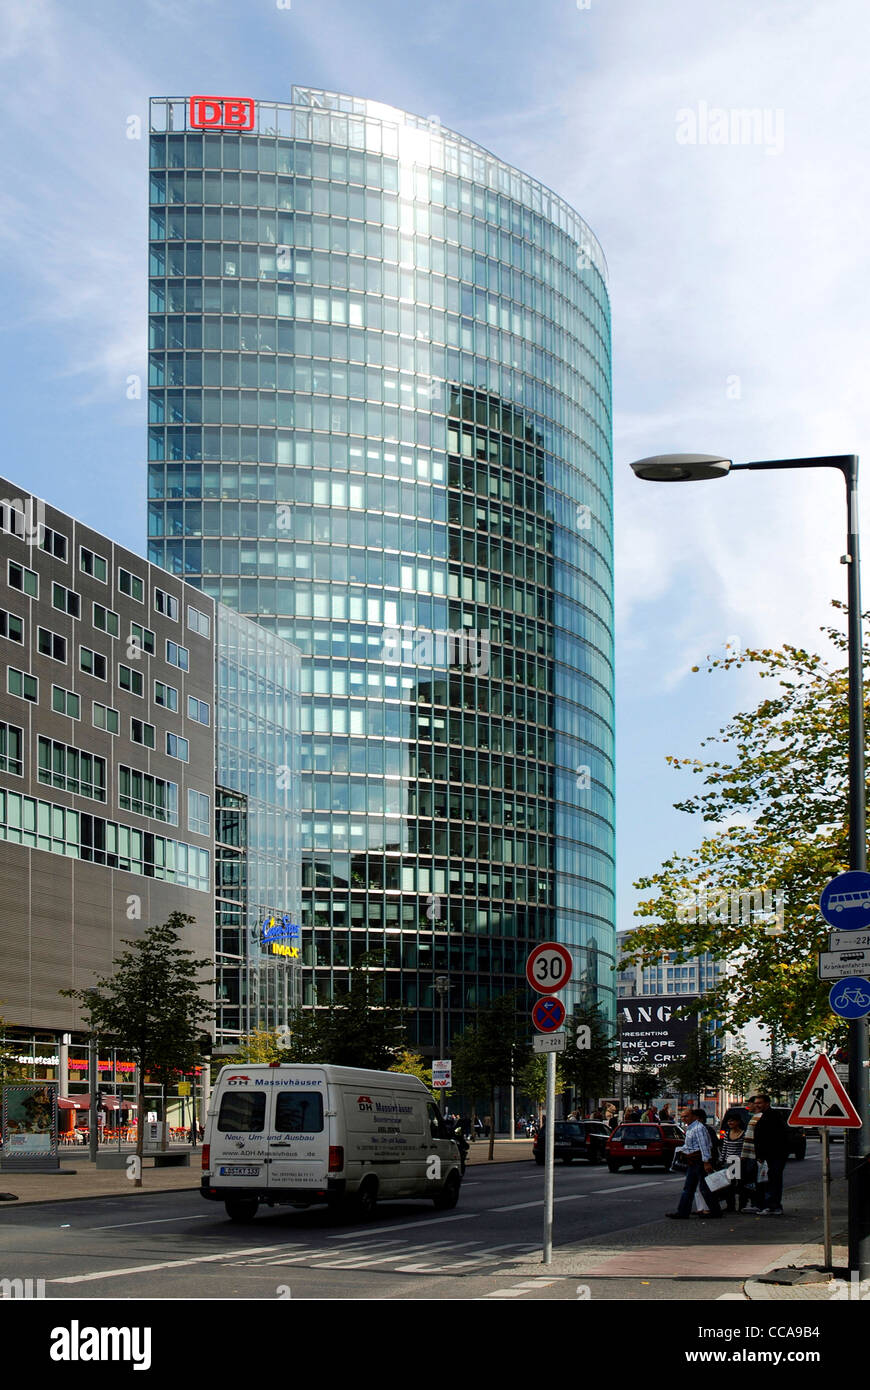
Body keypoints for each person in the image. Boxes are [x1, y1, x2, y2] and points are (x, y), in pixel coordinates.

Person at [666, 1107, 722, 1219]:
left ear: (694, 1116)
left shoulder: (698, 1128)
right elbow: (690, 1145)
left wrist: (706, 1162)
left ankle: (715, 1211)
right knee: (689, 1188)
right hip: (693, 1161)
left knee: (703, 1188)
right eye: (682, 1116)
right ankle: (683, 1212)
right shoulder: (691, 1128)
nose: (684, 1119)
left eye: (686, 1116)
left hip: (700, 1161)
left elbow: (704, 1146)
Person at [751, 1093, 790, 1214]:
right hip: (770, 1155)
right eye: (756, 1103)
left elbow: (770, 1138)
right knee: (768, 1180)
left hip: (774, 1155)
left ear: (767, 1103)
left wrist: (763, 1155)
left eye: (760, 1103)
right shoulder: (764, 1116)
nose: (757, 1105)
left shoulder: (772, 1116)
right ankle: (766, 1204)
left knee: (773, 1180)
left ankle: (773, 1206)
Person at [720, 1112, 750, 1213]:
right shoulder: (727, 1133)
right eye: (729, 1121)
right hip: (729, 1162)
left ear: (738, 1122)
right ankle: (730, 1206)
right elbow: (724, 1148)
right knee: (729, 1186)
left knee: (741, 1185)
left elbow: (746, 1148)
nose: (730, 1122)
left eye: (732, 1120)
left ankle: (742, 1206)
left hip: (739, 1163)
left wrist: (742, 1158)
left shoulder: (744, 1134)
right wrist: (721, 1160)